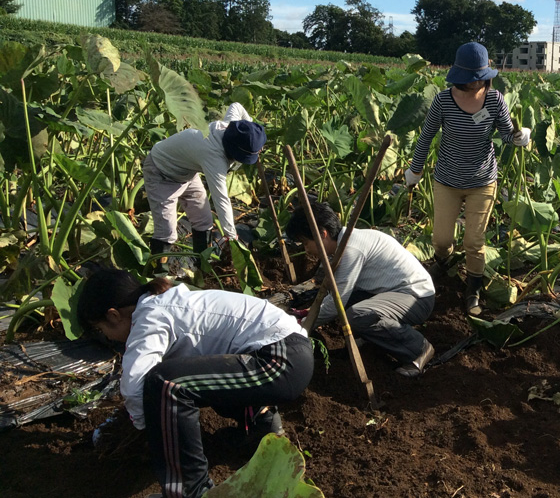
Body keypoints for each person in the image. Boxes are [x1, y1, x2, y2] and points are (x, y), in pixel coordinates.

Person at [77, 269, 314, 498]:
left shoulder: (150, 315)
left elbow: (135, 381)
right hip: (288, 353)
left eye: (102, 329)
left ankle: (190, 491)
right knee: (194, 377)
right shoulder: (163, 302)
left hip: (279, 360)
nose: (107, 337)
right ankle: (261, 429)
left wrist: (142, 426)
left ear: (113, 315)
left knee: (167, 383)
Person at [404, 41, 531, 315]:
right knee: (440, 239)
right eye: (470, 80)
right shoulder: (443, 100)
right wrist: (415, 169)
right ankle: (443, 263)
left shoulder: (495, 100)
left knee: (474, 241)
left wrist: (520, 137)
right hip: (447, 179)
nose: (475, 85)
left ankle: (472, 290)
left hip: (482, 180)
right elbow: (426, 136)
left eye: (479, 79)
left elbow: (506, 134)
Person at [286, 200, 436, 377]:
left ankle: (417, 349)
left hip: (416, 297)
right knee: (352, 301)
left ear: (322, 234)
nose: (306, 249)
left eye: (305, 242)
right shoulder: (348, 241)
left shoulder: (351, 249)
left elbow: (336, 303)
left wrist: (301, 329)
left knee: (357, 314)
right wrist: (308, 312)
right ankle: (372, 337)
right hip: (393, 292)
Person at [143, 102, 266, 269]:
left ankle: (202, 268)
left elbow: (236, 106)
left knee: (204, 221)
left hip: (186, 172)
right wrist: (231, 236)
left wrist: (250, 127)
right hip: (161, 172)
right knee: (167, 232)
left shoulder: (232, 128)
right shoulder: (214, 156)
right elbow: (221, 199)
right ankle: (157, 275)